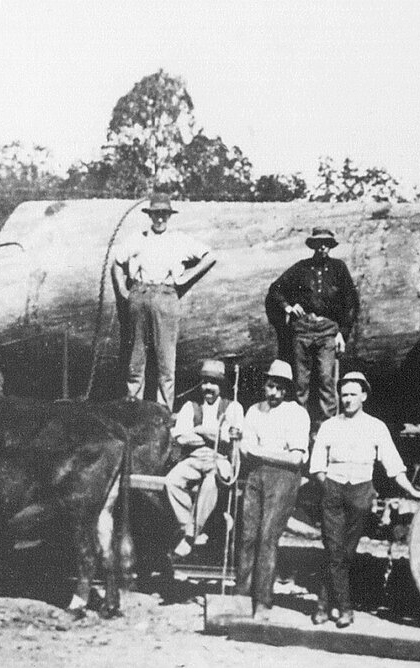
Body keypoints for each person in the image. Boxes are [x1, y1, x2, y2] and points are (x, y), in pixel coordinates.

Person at [307, 371, 420, 628]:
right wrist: (328, 488)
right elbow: (316, 466)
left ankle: (324, 604)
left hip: (361, 492)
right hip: (333, 490)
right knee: (333, 548)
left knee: (345, 553)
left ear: (363, 396)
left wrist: (413, 490)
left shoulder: (375, 427)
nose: (347, 399)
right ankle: (345, 609)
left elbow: (393, 465)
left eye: (352, 394)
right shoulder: (329, 426)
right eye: (344, 394)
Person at [112, 193, 215, 409]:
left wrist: (186, 277)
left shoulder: (179, 240)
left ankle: (163, 415)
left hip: (166, 296)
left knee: (166, 364)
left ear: (169, 216)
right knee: (135, 362)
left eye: (164, 214)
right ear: (150, 215)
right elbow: (117, 263)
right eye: (156, 214)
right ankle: (133, 412)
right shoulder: (138, 238)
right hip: (139, 295)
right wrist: (123, 289)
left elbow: (210, 256)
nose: (160, 219)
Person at [235, 360, 311, 620]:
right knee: (246, 535)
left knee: (268, 537)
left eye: (280, 388)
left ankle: (262, 601)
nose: (274, 393)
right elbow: (246, 448)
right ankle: (241, 596)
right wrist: (259, 450)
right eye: (270, 386)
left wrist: (260, 451)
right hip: (256, 475)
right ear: (265, 385)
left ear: (287, 390)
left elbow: (296, 458)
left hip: (284, 478)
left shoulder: (297, 413)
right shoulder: (254, 411)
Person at [265, 227, 359, 429]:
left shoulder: (338, 268)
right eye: (318, 243)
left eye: (326, 243)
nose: (322, 247)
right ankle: (299, 427)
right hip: (303, 330)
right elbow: (276, 289)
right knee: (301, 383)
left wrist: (342, 334)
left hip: (328, 331)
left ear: (330, 246)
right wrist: (288, 307)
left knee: (327, 380)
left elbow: (351, 303)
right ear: (313, 246)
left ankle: (328, 428)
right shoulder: (302, 268)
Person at [165, 359, 244, 558]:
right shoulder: (190, 407)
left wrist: (198, 430)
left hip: (220, 459)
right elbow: (182, 437)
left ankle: (190, 536)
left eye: (214, 383)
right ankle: (190, 529)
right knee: (171, 481)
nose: (208, 387)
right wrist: (212, 435)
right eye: (205, 382)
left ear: (221, 385)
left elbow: (228, 438)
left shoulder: (233, 407)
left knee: (211, 482)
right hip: (195, 458)